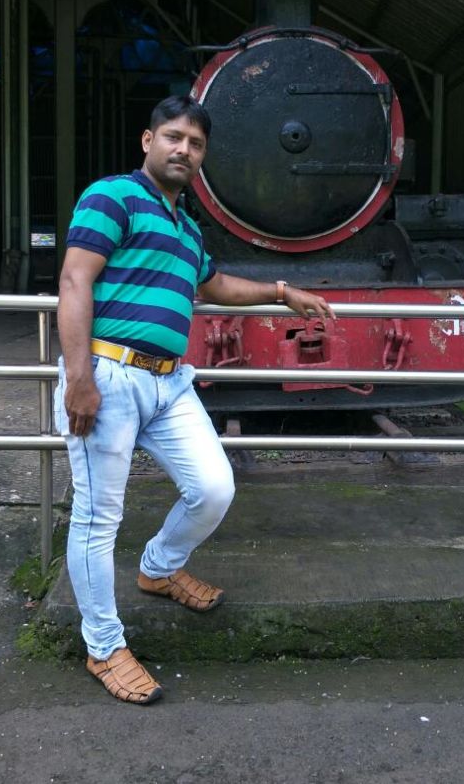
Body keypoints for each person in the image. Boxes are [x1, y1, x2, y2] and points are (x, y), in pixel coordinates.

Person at [55, 94, 334, 705]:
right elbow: (75, 279)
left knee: (214, 488)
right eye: (174, 137)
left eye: (196, 143)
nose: (184, 149)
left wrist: (281, 290)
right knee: (98, 519)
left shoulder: (186, 228)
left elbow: (214, 284)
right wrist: (80, 378)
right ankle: (103, 646)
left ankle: (158, 568)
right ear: (148, 140)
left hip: (169, 381)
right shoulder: (113, 197)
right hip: (109, 373)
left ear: (203, 156)